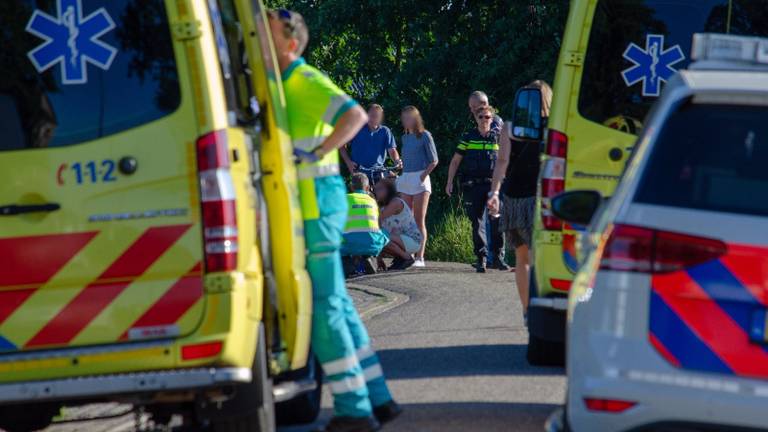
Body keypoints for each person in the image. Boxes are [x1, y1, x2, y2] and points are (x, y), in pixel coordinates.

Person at [268, 9, 400, 432]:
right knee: (338, 306)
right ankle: (379, 399)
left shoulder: (302, 80)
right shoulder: (282, 83)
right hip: (316, 206)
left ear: (290, 43)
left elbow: (355, 115)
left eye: (265, 34)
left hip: (316, 209)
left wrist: (314, 151)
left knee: (323, 310)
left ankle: (353, 409)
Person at [488, 80, 553, 319]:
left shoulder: (510, 127)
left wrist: (494, 192)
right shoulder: (556, 126)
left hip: (514, 196)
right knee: (541, 256)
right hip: (542, 196)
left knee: (522, 257)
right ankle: (543, 305)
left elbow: (502, 162)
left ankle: (527, 309)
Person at [445, 106, 508, 273]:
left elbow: (505, 161)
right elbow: (455, 161)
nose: (484, 120)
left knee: (497, 220)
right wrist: (449, 181)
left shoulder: (498, 138)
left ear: (492, 118)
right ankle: (482, 259)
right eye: (480, 117)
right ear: (476, 119)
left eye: (487, 117)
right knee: (477, 222)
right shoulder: (468, 137)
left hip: (493, 185)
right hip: (473, 185)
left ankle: (499, 258)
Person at [397, 106, 438, 267]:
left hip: (421, 179)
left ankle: (420, 257)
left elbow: (434, 160)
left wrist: (423, 175)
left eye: (409, 117)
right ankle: (409, 254)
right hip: (406, 178)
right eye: (404, 118)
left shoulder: (425, 135)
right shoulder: (404, 138)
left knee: (419, 219)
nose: (405, 121)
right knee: (407, 220)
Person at [340, 104, 402, 185]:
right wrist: (349, 163)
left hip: (378, 171)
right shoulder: (357, 128)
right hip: (359, 172)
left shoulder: (385, 131)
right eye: (372, 115)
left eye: (377, 116)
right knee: (363, 196)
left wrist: (397, 161)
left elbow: (392, 150)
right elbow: (341, 144)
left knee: (397, 185)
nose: (374, 118)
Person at [374, 178, 423, 270]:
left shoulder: (395, 202)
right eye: (375, 189)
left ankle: (407, 258)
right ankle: (401, 258)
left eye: (380, 189)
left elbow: (377, 220)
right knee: (377, 238)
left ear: (389, 190)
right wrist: (379, 260)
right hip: (400, 239)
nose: (377, 192)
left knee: (379, 237)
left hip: (413, 240)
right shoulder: (382, 206)